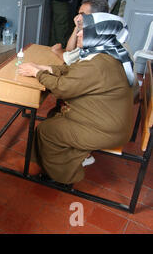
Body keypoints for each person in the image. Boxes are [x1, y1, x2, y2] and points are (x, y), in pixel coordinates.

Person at [18, 13, 136, 185]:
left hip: (105, 130)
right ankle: (67, 160)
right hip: (108, 122)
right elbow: (74, 72)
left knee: (46, 131)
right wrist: (45, 68)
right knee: (54, 115)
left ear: (99, 35)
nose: (79, 34)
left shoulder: (98, 63)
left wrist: (37, 73)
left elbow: (62, 88)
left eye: (84, 31)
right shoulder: (105, 54)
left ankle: (61, 177)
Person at [51, 0, 109, 65]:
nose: (77, 18)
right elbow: (70, 51)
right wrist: (77, 27)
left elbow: (69, 60)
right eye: (79, 14)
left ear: (95, 16)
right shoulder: (98, 28)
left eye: (82, 14)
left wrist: (58, 51)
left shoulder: (96, 36)